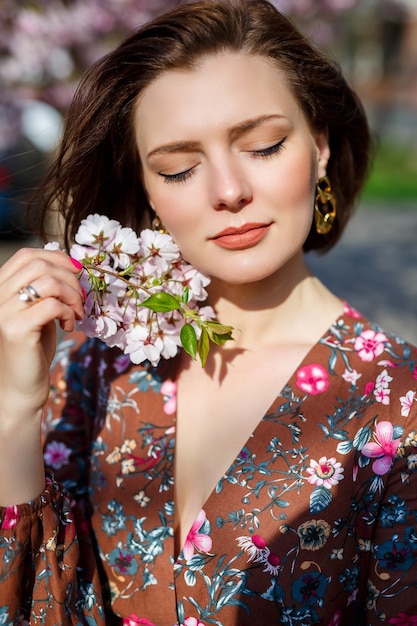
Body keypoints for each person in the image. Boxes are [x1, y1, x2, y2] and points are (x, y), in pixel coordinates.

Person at [0, 1, 416, 623]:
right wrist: (13, 406)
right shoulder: (98, 368)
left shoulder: (397, 405)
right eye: (180, 168)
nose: (228, 191)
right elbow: (35, 602)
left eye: (265, 145)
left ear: (320, 147)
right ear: (145, 188)